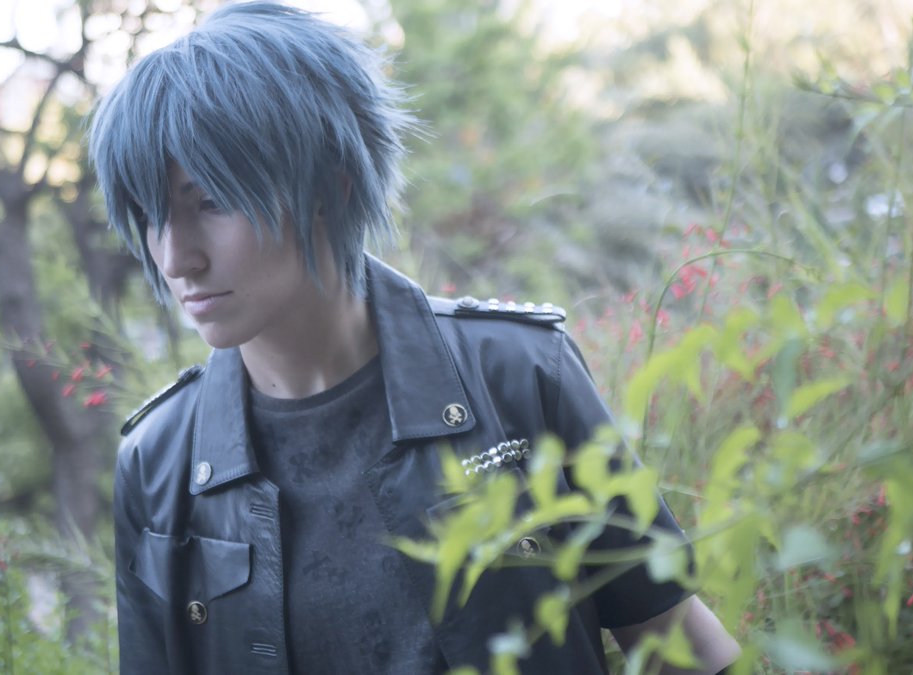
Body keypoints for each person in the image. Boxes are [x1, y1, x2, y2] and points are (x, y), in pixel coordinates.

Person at [88, 3, 741, 674]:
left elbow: (677, 646)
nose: (176, 258)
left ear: (331, 188)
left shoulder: (515, 375)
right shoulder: (159, 463)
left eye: (211, 201)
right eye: (151, 212)